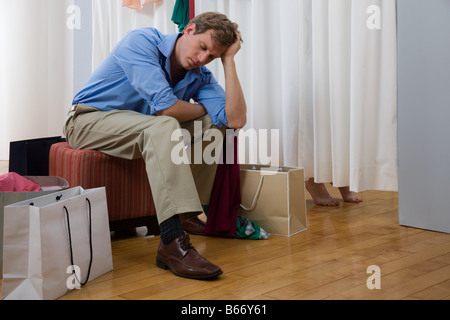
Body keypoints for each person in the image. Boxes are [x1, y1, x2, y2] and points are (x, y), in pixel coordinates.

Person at [63, 12, 246, 280]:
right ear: (189, 30)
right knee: (168, 123)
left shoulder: (200, 75)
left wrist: (229, 61)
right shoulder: (142, 41)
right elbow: (166, 109)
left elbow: (235, 120)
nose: (203, 59)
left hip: (140, 128)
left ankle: (186, 213)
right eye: (203, 47)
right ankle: (172, 240)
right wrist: (203, 107)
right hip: (88, 120)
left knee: (215, 126)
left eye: (212, 57)